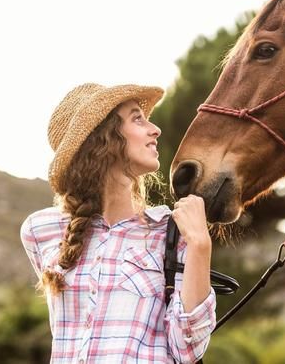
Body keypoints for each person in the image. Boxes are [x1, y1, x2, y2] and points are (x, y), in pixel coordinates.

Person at [20, 83, 215, 363]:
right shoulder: (41, 230)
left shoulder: (173, 232)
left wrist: (199, 245)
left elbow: (188, 350)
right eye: (137, 118)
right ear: (104, 139)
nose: (155, 130)